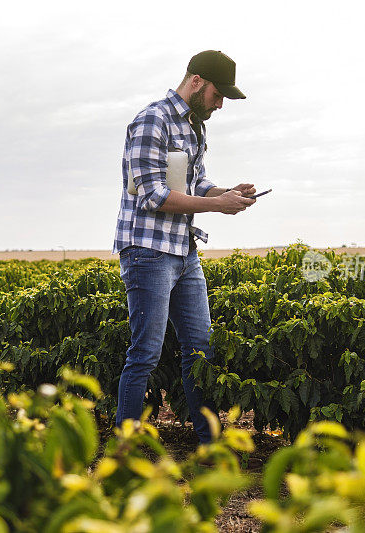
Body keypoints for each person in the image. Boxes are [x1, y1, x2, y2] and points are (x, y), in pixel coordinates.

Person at [112, 50, 257, 443]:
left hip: (183, 250)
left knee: (200, 351)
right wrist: (216, 205)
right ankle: (125, 449)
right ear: (196, 81)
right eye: (217, 93)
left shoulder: (195, 127)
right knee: (145, 353)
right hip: (147, 250)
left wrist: (228, 193)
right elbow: (153, 196)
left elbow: (195, 184)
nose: (220, 103)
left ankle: (209, 449)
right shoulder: (151, 121)